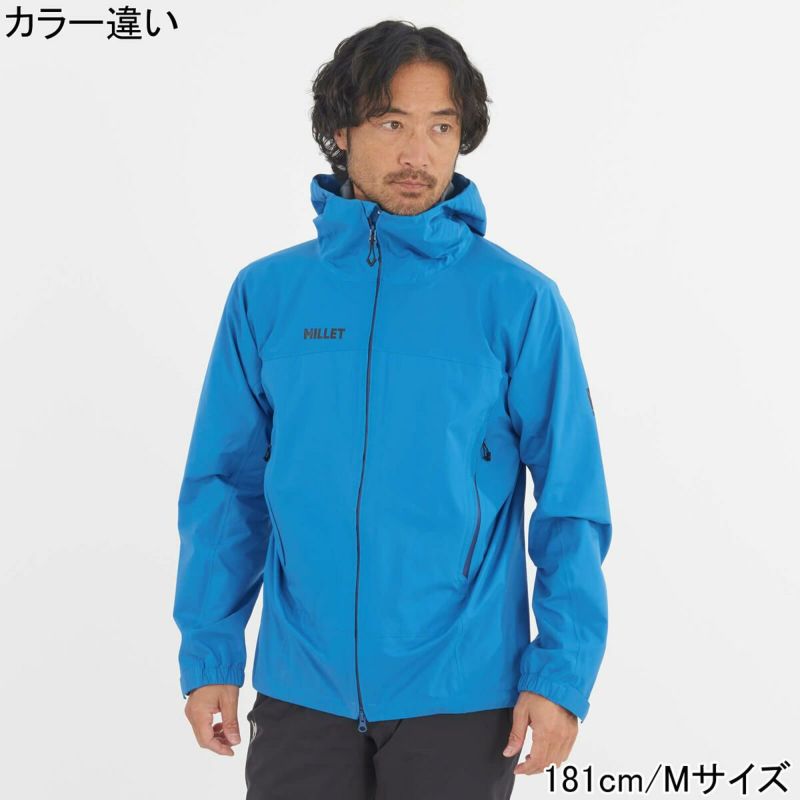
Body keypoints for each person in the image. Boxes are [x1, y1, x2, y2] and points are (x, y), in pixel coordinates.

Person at [173, 19, 613, 800]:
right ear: (339, 132)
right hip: (301, 689)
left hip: (464, 692)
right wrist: (211, 654)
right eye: (391, 124)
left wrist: (561, 674)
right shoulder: (267, 295)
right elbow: (226, 488)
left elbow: (572, 502)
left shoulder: (518, 301)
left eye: (441, 127)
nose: (419, 153)